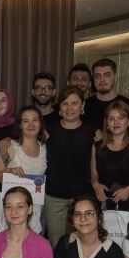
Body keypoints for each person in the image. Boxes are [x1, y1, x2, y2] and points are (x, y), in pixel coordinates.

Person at [43, 86, 94, 239]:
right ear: (59, 108)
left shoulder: (93, 132)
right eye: (65, 104)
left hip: (82, 198)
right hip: (54, 198)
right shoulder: (47, 131)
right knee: (57, 243)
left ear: (83, 105)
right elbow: (25, 140)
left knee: (82, 243)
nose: (69, 108)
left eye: (74, 103)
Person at [90, 98, 129, 215]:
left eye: (121, 118)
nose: (116, 122)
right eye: (111, 119)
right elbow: (94, 173)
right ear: (107, 124)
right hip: (103, 206)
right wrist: (95, 185)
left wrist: (128, 190)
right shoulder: (97, 146)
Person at [0, 105, 49, 196]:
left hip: (36, 202)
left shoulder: (44, 148)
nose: (31, 124)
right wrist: (9, 171)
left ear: (40, 123)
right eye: (25, 121)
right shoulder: (9, 148)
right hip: (12, 202)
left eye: (35, 120)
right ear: (20, 125)